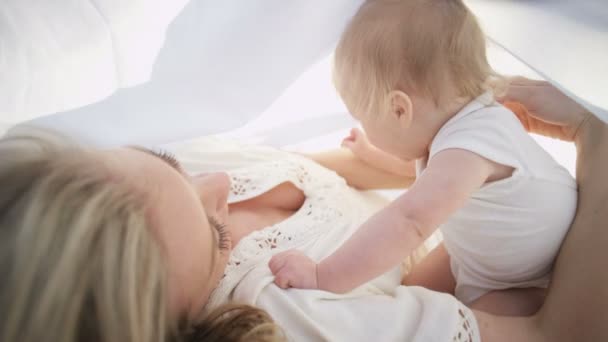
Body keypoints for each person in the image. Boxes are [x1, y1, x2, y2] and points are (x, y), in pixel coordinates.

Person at [0, 75, 606, 341]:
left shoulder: (153, 199)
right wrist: (593, 135)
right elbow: (566, 334)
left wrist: (448, 152)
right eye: (218, 236)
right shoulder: (298, 322)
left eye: (165, 160)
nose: (219, 184)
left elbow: (322, 172)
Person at [268, 0, 576, 317]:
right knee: (411, 290)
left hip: (534, 280)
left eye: (364, 118)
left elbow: (408, 222)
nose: (363, 127)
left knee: (473, 322)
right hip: (486, 258)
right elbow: (420, 173)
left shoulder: (472, 143)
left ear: (400, 109)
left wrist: (324, 276)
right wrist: (368, 153)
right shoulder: (455, 127)